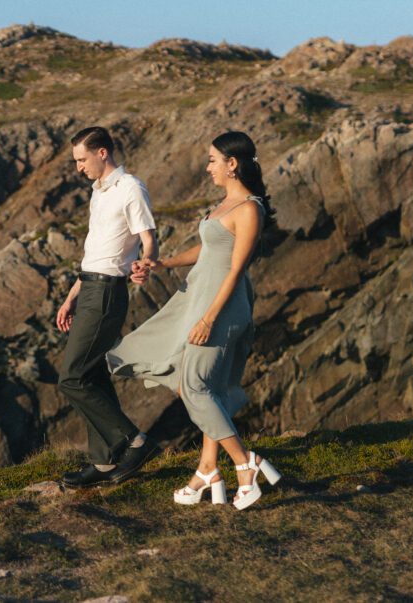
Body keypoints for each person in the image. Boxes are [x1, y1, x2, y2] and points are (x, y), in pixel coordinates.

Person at [106, 131, 281, 510]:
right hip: (199, 300)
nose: (208, 167)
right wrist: (162, 263)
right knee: (200, 388)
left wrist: (208, 318)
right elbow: (209, 249)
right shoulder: (225, 206)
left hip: (222, 307)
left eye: (213, 160)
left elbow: (236, 269)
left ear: (232, 164)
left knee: (197, 387)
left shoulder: (250, 208)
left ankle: (245, 464)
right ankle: (207, 471)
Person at [57, 126, 158, 489]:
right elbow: (95, 252)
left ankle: (135, 441)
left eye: (82, 160)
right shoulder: (97, 193)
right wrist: (71, 297)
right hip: (88, 288)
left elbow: (149, 238)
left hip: (108, 293)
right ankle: (102, 462)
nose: (79, 168)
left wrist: (145, 265)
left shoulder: (131, 188)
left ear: (102, 153)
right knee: (92, 375)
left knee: (71, 377)